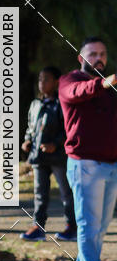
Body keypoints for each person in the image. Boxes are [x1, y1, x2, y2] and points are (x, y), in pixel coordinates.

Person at [58, 37, 117, 261]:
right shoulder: (70, 81)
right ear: (81, 58)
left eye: (102, 53)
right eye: (92, 54)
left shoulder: (110, 89)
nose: (99, 58)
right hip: (85, 164)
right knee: (88, 224)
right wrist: (103, 83)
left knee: (101, 226)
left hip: (110, 164)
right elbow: (77, 94)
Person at [20, 66, 76, 242]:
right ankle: (38, 227)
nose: (42, 83)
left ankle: (72, 227)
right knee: (39, 193)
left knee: (66, 192)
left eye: (46, 79)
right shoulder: (36, 104)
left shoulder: (62, 103)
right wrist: (27, 140)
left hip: (59, 156)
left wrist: (56, 144)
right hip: (38, 156)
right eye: (40, 79)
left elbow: (69, 128)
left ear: (57, 82)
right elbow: (31, 126)